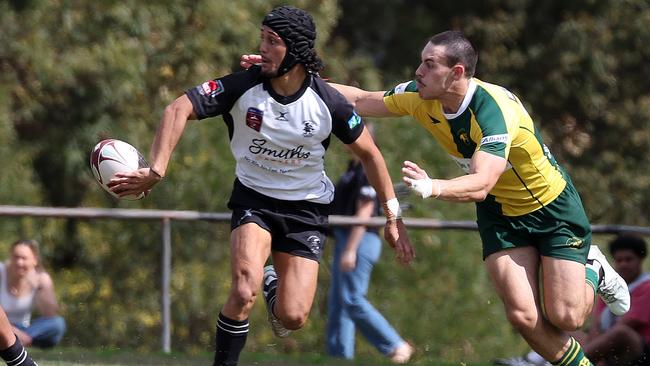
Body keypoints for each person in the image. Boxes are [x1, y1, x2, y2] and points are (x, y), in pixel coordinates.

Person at [289, 30, 630, 366]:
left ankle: (592, 268)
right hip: (500, 214)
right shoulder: (420, 97)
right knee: (523, 317)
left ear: (456, 73)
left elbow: (481, 182)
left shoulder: (493, 111)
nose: (418, 72)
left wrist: (432, 186)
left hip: (551, 209)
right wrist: (290, 77)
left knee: (566, 317)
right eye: (420, 63)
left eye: (429, 64)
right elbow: (361, 99)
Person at [108, 6, 414, 366]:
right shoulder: (243, 86)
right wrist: (156, 169)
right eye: (262, 39)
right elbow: (177, 109)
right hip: (255, 200)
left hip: (307, 211)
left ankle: (273, 286)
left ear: (295, 51)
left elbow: (372, 155)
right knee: (241, 290)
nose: (263, 48)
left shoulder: (327, 102)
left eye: (273, 42)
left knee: (293, 317)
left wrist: (392, 217)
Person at [326, 125, 414, 364]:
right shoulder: (353, 167)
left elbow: (364, 211)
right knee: (338, 303)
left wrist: (351, 249)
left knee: (353, 299)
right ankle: (338, 357)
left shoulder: (367, 168)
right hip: (347, 238)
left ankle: (395, 345)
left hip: (360, 239)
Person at [496, 234, 650, 366]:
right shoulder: (611, 284)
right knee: (566, 328)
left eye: (628, 260)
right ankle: (532, 360)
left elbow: (626, 324)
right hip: (606, 344)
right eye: (619, 260)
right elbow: (597, 326)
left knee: (621, 333)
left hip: (636, 348)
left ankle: (561, 362)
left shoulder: (646, 286)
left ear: (640, 260)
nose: (623, 265)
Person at [0, 240, 66, 349]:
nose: (19, 262)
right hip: (2, 325)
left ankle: (16, 342)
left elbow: (50, 314)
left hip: (26, 329)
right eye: (16, 257)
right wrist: (13, 331)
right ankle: (17, 341)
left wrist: (38, 287)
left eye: (24, 258)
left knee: (58, 324)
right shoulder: (1, 272)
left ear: (34, 260)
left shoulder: (41, 278)